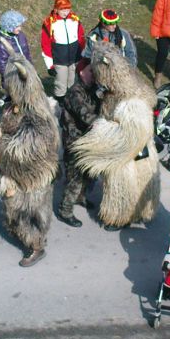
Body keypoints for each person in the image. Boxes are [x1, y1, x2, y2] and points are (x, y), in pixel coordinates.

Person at [57, 62, 101, 228]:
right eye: (91, 70)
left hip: (87, 140)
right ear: (81, 72)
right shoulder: (75, 92)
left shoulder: (90, 90)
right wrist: (104, 124)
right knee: (74, 179)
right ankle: (65, 211)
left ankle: (81, 198)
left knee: (88, 174)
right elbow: (85, 115)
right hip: (74, 142)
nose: (94, 74)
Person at [40, 0, 85, 103]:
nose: (66, 12)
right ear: (56, 9)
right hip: (59, 60)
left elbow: (81, 38)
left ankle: (74, 103)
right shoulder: (49, 23)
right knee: (61, 84)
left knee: (73, 82)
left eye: (67, 9)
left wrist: (83, 55)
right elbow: (45, 45)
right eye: (62, 9)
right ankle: (60, 105)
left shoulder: (74, 20)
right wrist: (49, 65)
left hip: (75, 58)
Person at [0, 10, 33, 87]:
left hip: (27, 72)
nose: (20, 28)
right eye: (17, 26)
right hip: (14, 78)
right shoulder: (2, 45)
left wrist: (31, 67)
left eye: (20, 26)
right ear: (9, 26)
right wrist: (12, 79)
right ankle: (8, 97)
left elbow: (27, 53)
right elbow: (2, 66)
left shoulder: (21, 36)